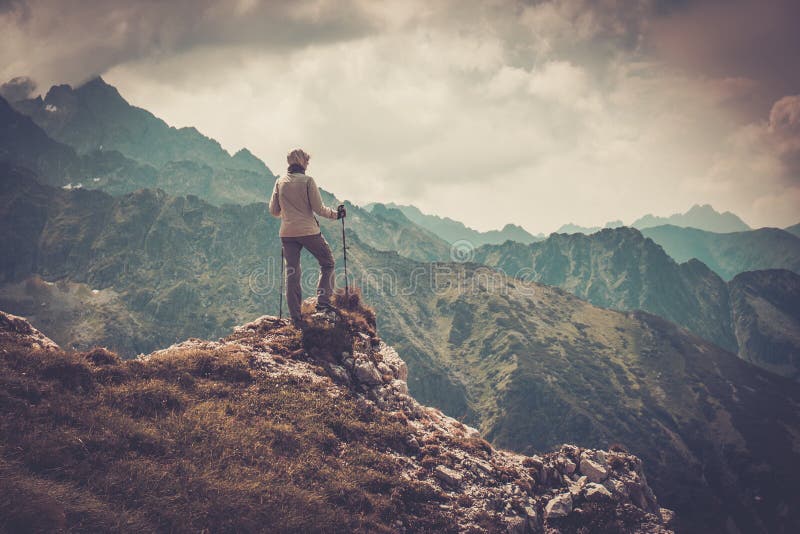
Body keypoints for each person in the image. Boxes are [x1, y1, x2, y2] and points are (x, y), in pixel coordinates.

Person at [269, 148, 345, 327]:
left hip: (287, 233)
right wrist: (337, 215)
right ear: (302, 162)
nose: (308, 165)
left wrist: (289, 213)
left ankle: (296, 317)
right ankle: (323, 303)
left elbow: (274, 211)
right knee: (327, 263)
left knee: (292, 272)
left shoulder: (280, 182)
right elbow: (319, 209)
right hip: (308, 231)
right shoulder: (308, 181)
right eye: (307, 162)